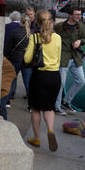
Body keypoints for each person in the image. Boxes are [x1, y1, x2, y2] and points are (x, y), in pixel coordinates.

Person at [24, 10, 61, 151]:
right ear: (50, 21)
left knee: (36, 109)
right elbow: (58, 57)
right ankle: (50, 130)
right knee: (49, 107)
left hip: (39, 77)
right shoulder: (57, 37)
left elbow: (27, 59)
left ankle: (37, 138)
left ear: (37, 22)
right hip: (55, 76)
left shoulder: (35, 37)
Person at [54, 7, 85, 116]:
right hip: (63, 58)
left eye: (80, 14)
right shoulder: (60, 26)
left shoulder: (80, 26)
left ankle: (66, 101)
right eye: (77, 14)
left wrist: (79, 41)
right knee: (61, 83)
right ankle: (57, 106)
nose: (79, 16)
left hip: (76, 58)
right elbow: (53, 38)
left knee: (81, 80)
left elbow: (84, 39)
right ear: (70, 15)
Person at [5, 15, 32, 107]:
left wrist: (6, 56)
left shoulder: (15, 32)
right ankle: (31, 105)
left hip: (15, 59)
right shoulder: (31, 34)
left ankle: (7, 100)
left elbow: (9, 47)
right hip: (27, 61)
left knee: (12, 79)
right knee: (28, 82)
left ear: (21, 22)